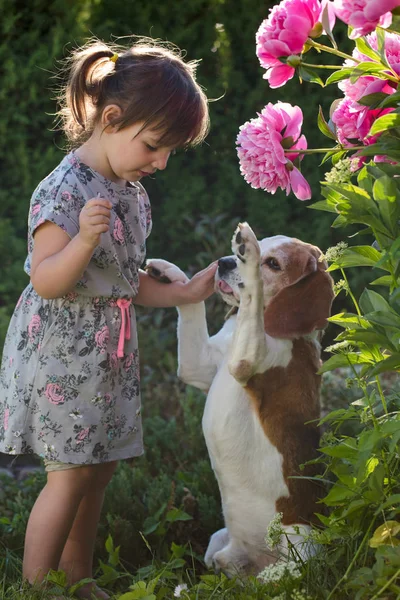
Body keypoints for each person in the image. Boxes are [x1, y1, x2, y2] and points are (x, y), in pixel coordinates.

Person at [0, 36, 216, 599]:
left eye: (170, 151)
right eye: (153, 146)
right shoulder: (65, 190)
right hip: (63, 353)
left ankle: (78, 579)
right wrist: (84, 239)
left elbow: (125, 280)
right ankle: (36, 588)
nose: (161, 162)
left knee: (99, 470)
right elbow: (46, 278)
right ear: (112, 119)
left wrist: (185, 292)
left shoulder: (129, 189)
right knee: (68, 474)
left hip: (107, 355)